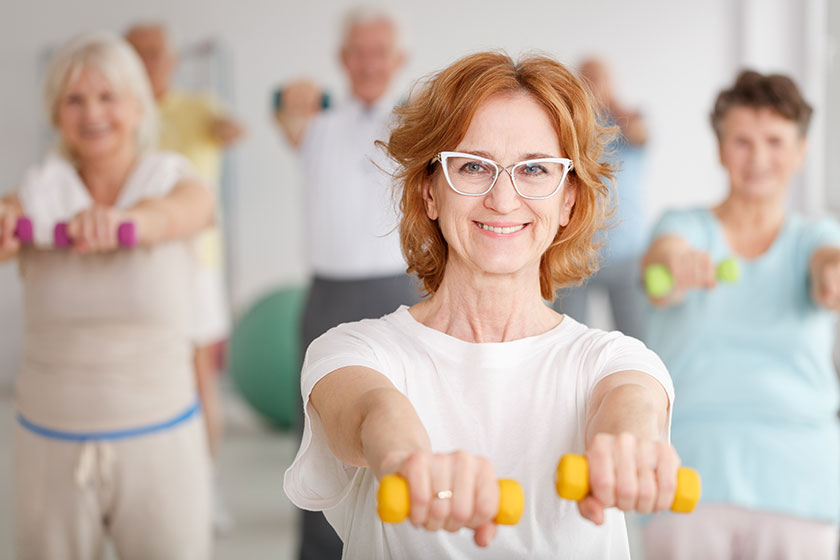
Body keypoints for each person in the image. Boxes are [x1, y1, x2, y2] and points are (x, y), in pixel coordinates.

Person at [283, 50, 685, 559]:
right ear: (429, 191)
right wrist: (408, 458)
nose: (503, 197)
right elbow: (370, 412)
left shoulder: (615, 360)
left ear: (568, 201)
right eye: (473, 166)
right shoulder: (353, 350)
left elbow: (631, 404)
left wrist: (627, 443)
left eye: (535, 169)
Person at [0, 32, 215, 559]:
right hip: (49, 439)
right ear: (56, 112)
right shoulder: (40, 188)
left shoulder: (169, 178)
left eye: (107, 97)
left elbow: (191, 210)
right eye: (74, 99)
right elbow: (8, 215)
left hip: (160, 439)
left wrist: (128, 222)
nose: (92, 113)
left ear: (137, 104)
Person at [641, 70, 840, 559]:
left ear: (800, 150)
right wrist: (676, 266)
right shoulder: (682, 227)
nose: (758, 159)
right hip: (689, 477)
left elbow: (827, 264)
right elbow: (660, 268)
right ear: (720, 149)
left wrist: (831, 275)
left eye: (775, 141)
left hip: (801, 487)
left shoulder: (814, 239)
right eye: (742, 142)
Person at [273, 7, 420, 558]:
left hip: (395, 292)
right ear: (343, 60)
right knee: (316, 433)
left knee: (398, 423)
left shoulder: (413, 125)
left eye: (380, 52)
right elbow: (288, 112)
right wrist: (292, 100)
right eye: (358, 52)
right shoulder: (316, 126)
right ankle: (316, 550)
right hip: (328, 294)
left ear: (397, 60)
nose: (369, 63)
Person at [125, 22, 243, 484]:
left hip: (196, 266)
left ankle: (204, 488)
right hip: (132, 265)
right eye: (137, 53)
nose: (148, 62)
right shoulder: (118, 115)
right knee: (139, 376)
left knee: (199, 377)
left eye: (156, 52)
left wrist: (228, 128)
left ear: (172, 61)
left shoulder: (200, 108)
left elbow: (229, 129)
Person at [553, 57, 648, 339]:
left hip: (626, 252)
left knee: (636, 336)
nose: (592, 86)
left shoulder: (630, 121)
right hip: (577, 247)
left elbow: (641, 136)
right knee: (565, 334)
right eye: (586, 79)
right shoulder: (572, 126)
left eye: (598, 79)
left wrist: (612, 103)